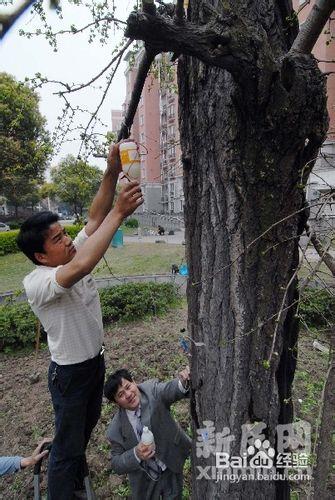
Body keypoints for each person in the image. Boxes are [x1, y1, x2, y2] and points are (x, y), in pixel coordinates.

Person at [17, 142, 143, 500]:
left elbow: (93, 219)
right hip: (70, 375)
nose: (69, 240)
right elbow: (80, 267)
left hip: (94, 364)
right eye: (58, 239)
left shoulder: (73, 252)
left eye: (64, 233)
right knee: (69, 450)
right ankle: (63, 486)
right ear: (41, 256)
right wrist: (120, 213)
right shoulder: (39, 282)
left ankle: (65, 456)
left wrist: (111, 170)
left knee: (81, 432)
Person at [104, 367, 191, 500]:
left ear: (134, 382)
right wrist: (136, 454)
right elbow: (116, 463)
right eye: (120, 395)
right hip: (145, 478)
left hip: (170, 462)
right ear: (116, 402)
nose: (128, 395)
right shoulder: (115, 429)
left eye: (128, 387)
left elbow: (170, 390)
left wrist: (183, 382)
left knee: (174, 495)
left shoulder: (152, 391)